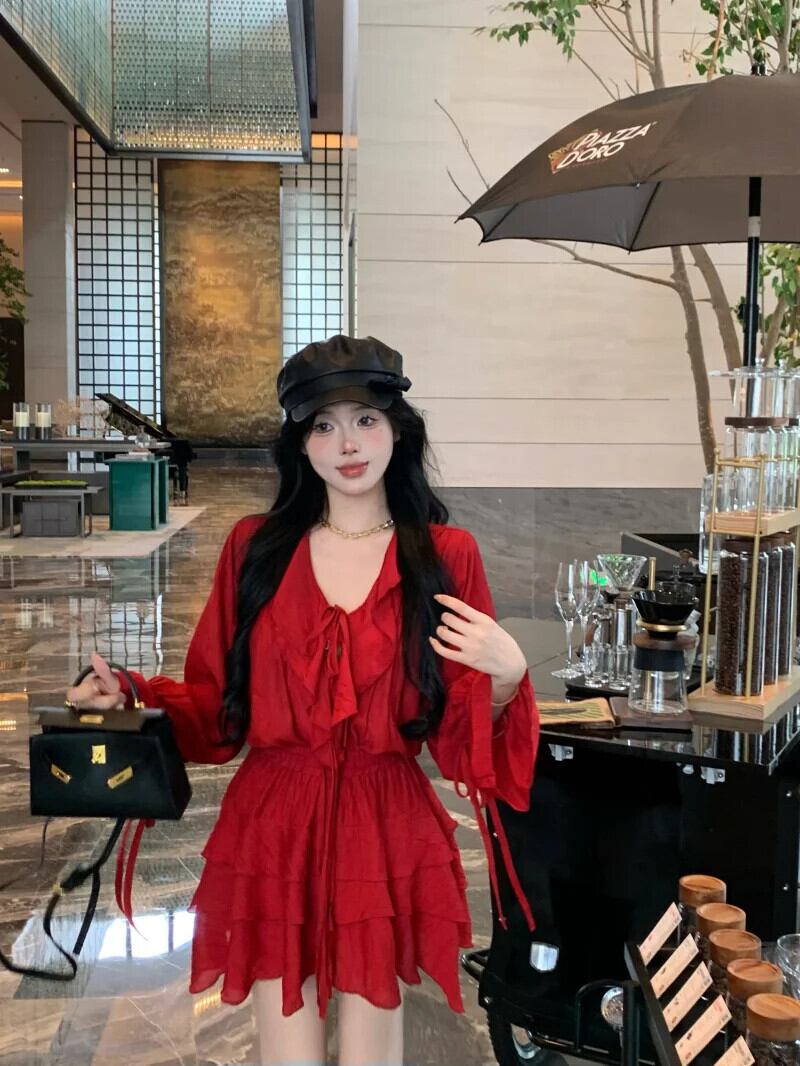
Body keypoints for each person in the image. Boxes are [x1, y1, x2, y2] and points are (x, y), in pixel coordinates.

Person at [65, 334, 540, 1066]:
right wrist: (126, 695)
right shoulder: (256, 548)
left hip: (385, 821)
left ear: (397, 430)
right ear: (300, 444)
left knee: (371, 1048)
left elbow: (455, 741)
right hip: (274, 821)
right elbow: (217, 710)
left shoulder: (445, 555)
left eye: (365, 420)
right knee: (286, 1047)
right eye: (323, 425)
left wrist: (504, 681)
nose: (347, 443)